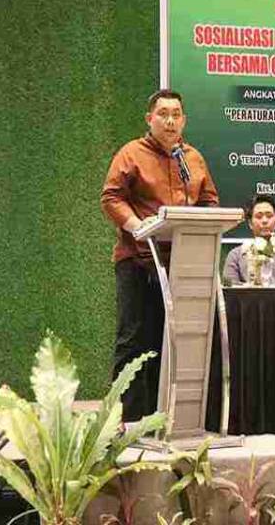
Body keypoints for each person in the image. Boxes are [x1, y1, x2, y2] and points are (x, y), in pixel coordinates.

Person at [101, 89, 219, 421]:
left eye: (176, 114)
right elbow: (111, 197)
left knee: (171, 340)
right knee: (134, 340)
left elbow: (209, 202)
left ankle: (163, 417)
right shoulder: (131, 153)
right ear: (149, 119)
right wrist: (137, 225)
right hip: (139, 260)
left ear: (184, 121)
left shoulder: (192, 158)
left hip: (182, 264)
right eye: (163, 114)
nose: (170, 121)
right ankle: (124, 421)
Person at [223, 194, 275, 286]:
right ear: (250, 223)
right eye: (259, 217)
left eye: (269, 216)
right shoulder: (236, 256)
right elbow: (229, 289)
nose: (264, 221)